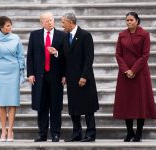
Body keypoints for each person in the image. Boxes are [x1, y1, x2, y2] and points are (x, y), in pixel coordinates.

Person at [113, 12, 156, 142]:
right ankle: (129, 132)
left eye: (131, 20)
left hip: (140, 73)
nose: (129, 22)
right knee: (126, 102)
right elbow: (118, 54)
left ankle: (138, 133)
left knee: (140, 103)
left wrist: (134, 70)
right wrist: (126, 70)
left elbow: (145, 55)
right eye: (127, 20)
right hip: (125, 74)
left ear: (137, 21)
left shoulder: (144, 34)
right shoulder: (122, 35)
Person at [27, 12, 66, 142]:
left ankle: (55, 133)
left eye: (52, 20)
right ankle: (42, 134)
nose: (50, 22)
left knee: (55, 105)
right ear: (42, 22)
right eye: (47, 21)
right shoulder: (34, 35)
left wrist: (56, 53)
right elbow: (30, 56)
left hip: (56, 76)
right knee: (41, 106)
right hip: (39, 76)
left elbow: (67, 57)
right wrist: (31, 73)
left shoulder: (62, 35)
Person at [60, 13, 99, 142]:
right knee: (73, 107)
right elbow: (65, 59)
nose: (62, 25)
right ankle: (77, 134)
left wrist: (84, 76)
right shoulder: (65, 37)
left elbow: (89, 58)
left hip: (84, 78)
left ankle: (90, 134)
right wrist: (64, 75)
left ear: (71, 22)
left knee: (88, 107)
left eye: (63, 22)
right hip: (71, 78)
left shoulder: (85, 35)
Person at [0, 16, 25, 142]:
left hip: (14, 72)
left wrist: (22, 74)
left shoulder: (16, 38)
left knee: (12, 102)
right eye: (8, 26)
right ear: (1, 27)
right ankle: (3, 130)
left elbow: (21, 57)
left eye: (11, 25)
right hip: (1, 73)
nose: (10, 28)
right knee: (2, 103)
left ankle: (10, 130)